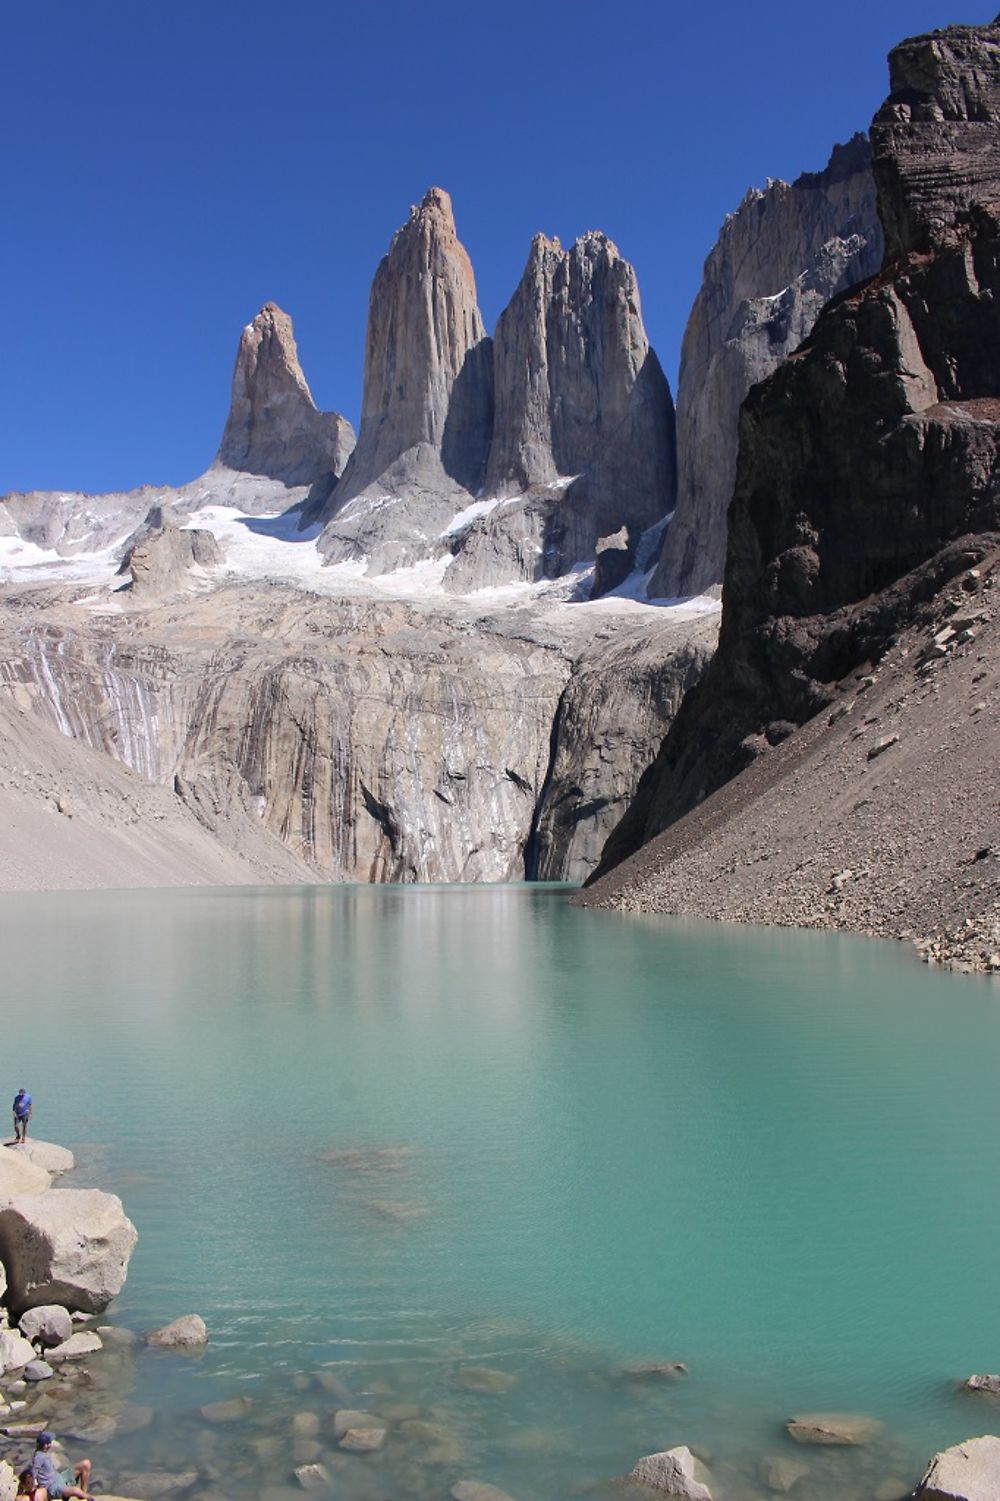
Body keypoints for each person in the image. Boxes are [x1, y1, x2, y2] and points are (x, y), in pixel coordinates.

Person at [29, 1432, 92, 1500]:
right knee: (76, 1490)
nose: (51, 1443)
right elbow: (33, 1474)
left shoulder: (44, 1452)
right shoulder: (38, 1457)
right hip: (52, 1487)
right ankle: (89, 1498)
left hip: (59, 1477)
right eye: (49, 1442)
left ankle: (83, 1495)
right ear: (45, 1445)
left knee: (86, 1464)